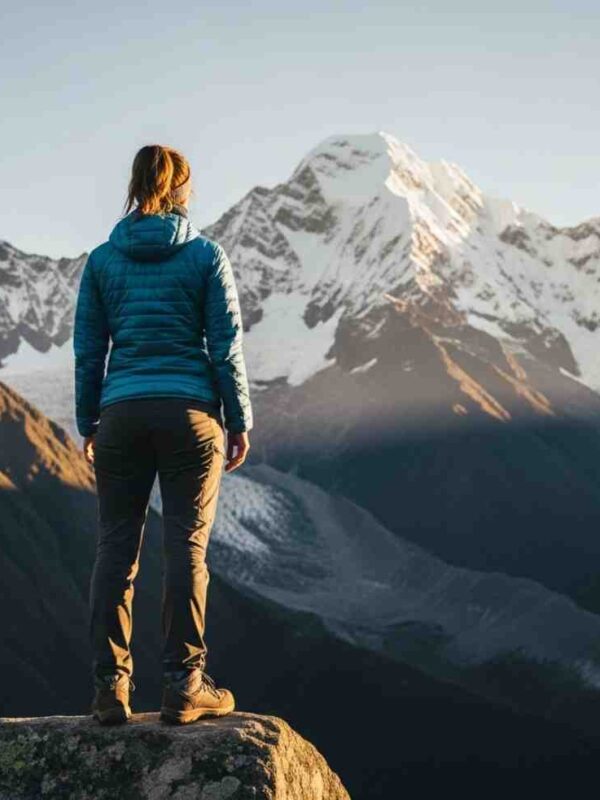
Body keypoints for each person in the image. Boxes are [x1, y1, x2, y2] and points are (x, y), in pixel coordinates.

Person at [73, 144, 253, 725]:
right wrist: (240, 419)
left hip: (122, 413)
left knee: (115, 546)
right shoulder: (205, 256)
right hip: (191, 417)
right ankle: (183, 686)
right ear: (181, 189)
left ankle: (110, 689)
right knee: (187, 546)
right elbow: (225, 347)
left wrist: (88, 420)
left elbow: (87, 351)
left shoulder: (102, 261)